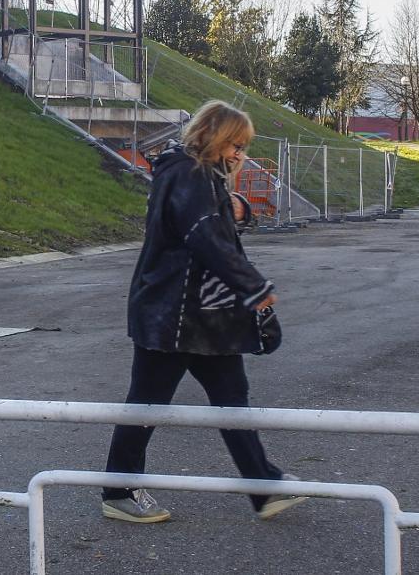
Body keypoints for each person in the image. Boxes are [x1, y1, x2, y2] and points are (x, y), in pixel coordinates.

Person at [101, 100, 307, 523]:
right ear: (212, 135)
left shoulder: (192, 174)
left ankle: (264, 488)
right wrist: (255, 287)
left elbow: (210, 224)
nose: (239, 155)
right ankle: (118, 491)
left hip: (198, 315)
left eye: (244, 146)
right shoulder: (190, 174)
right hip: (176, 317)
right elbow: (204, 237)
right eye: (235, 144)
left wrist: (241, 209)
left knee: (229, 400)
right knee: (148, 403)